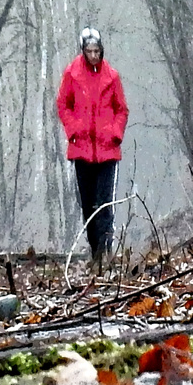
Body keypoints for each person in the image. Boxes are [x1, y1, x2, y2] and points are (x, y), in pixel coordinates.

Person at [55, 27, 128, 266]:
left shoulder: (112, 76)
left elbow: (121, 109)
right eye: (90, 51)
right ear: (83, 51)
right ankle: (95, 250)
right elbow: (63, 105)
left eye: (97, 51)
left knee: (105, 203)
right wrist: (74, 130)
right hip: (82, 151)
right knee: (88, 204)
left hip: (107, 151)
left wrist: (115, 133)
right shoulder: (72, 73)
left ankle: (106, 252)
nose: (94, 55)